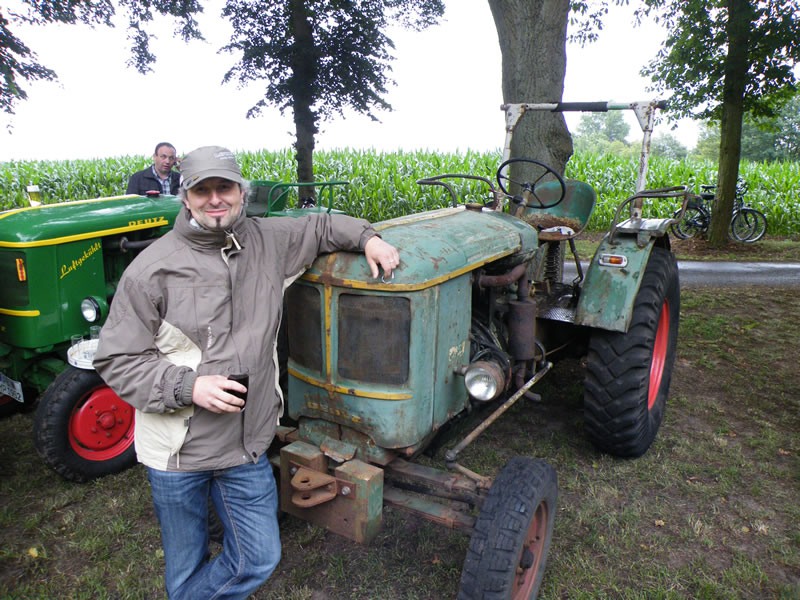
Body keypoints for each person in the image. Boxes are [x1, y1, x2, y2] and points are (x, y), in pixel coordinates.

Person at [93, 146, 400, 600]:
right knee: (186, 566)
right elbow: (117, 359)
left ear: (242, 192)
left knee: (258, 558)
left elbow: (320, 226)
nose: (215, 199)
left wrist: (369, 238)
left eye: (225, 187)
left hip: (247, 446)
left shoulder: (267, 241)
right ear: (186, 197)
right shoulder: (151, 270)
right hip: (178, 454)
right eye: (203, 190)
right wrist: (188, 386)